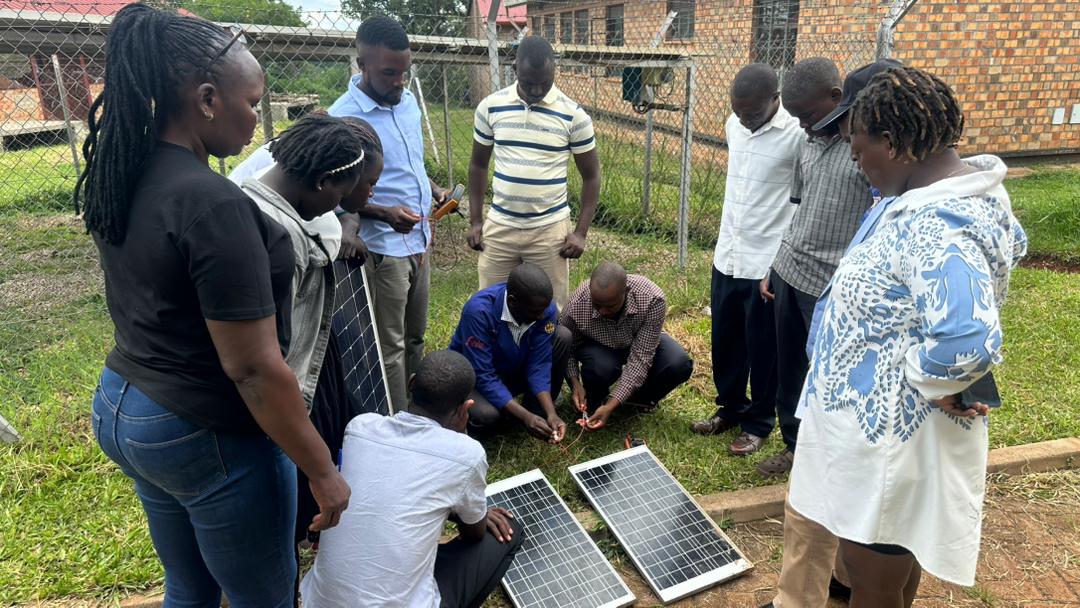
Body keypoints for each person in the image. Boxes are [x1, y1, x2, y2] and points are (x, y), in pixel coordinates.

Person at [78, 6, 349, 606]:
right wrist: (324, 473)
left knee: (190, 587)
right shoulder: (212, 203)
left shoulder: (124, 169)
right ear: (206, 99)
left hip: (126, 405)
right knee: (266, 597)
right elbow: (252, 368)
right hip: (202, 430)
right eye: (251, 102)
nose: (258, 118)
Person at [777, 66, 1027, 608]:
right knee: (887, 570)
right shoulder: (927, 202)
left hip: (889, 443)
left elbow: (968, 339)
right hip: (877, 436)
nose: (854, 159)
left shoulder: (939, 222)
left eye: (859, 147)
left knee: (874, 579)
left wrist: (929, 378)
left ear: (894, 143)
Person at [236, 114, 383, 603]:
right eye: (345, 194)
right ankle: (292, 563)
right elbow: (264, 363)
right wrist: (321, 472)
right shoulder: (273, 237)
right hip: (288, 381)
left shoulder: (298, 194)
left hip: (313, 361)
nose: (346, 205)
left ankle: (309, 533)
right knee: (292, 493)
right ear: (324, 182)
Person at [300, 350, 524, 608]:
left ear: (411, 383)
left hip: (319, 602)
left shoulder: (360, 427)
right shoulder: (467, 454)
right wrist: (476, 513)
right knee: (509, 531)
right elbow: (473, 533)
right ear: (466, 408)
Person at [755, 58, 874, 478]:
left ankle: (832, 453)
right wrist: (775, 263)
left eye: (806, 115)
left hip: (833, 285)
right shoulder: (808, 144)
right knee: (790, 369)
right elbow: (801, 211)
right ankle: (795, 446)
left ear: (836, 98)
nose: (803, 126)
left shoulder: (865, 147)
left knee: (831, 374)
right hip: (790, 272)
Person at [328, 15, 450, 410]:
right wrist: (382, 214)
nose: (399, 81)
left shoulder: (408, 102)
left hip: (420, 241)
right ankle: (398, 425)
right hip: (385, 250)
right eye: (388, 73)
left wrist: (433, 189)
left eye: (404, 72)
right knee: (390, 346)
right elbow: (335, 194)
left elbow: (409, 161)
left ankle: (418, 409)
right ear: (361, 64)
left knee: (415, 337)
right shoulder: (344, 119)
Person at [690, 63, 801, 456]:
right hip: (728, 254)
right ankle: (730, 409)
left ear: (776, 99)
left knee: (763, 348)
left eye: (752, 112)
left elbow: (801, 203)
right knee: (726, 340)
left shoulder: (796, 135)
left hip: (765, 263)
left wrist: (781, 260)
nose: (744, 119)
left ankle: (758, 422)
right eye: (738, 111)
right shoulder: (733, 125)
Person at [467, 35, 601, 310]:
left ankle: (547, 355)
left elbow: (591, 176)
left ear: (554, 70)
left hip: (549, 231)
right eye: (529, 83)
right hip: (501, 226)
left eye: (545, 81)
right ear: (515, 69)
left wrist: (581, 233)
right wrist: (476, 221)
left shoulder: (573, 116)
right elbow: (478, 165)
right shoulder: (491, 107)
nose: (538, 89)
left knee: (549, 310)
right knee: (490, 306)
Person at [228, 115, 383, 263]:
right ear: (323, 180)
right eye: (342, 195)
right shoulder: (283, 237)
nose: (371, 193)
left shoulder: (294, 170)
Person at [561, 262, 694, 430]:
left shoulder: (652, 299)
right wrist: (574, 383)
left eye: (610, 306)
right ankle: (595, 399)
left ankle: (636, 401)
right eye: (596, 305)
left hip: (638, 341)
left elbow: (640, 359)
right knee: (600, 367)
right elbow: (567, 347)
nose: (602, 311)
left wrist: (612, 404)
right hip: (599, 347)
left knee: (677, 363)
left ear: (626, 291)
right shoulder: (577, 304)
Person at [449, 263, 571, 443]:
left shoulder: (544, 309)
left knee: (562, 336)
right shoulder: (479, 312)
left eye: (545, 309)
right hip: (475, 378)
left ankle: (535, 410)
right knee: (486, 415)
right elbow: (483, 374)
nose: (542, 316)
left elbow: (540, 362)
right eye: (535, 312)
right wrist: (524, 417)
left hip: (512, 369)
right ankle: (513, 415)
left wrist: (550, 412)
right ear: (513, 301)